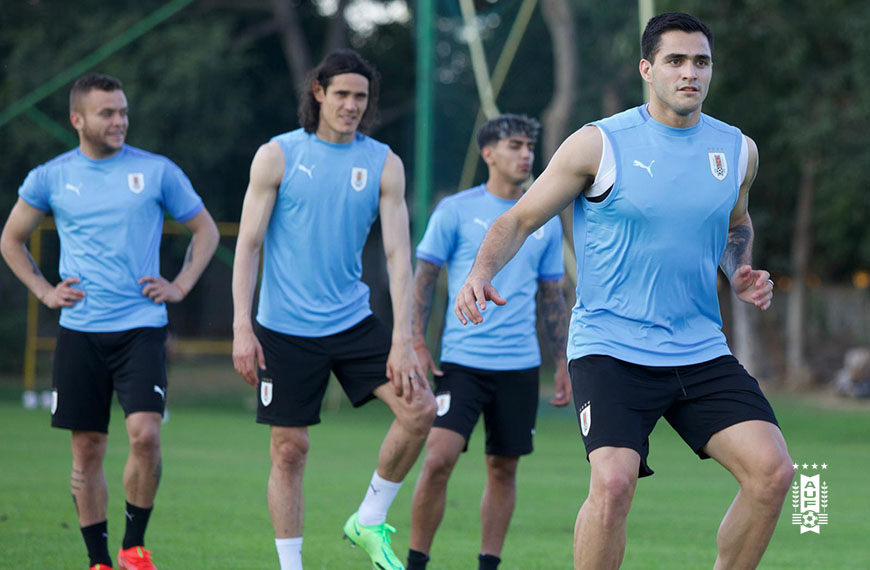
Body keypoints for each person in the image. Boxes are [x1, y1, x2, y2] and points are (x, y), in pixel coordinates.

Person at [454, 13, 794, 570]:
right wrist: (478, 273)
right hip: (611, 347)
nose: (690, 73)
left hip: (699, 348)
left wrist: (739, 268)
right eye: (675, 61)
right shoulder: (600, 144)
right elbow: (518, 219)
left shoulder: (736, 150)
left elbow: (737, 222)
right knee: (613, 484)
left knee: (774, 473)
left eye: (701, 62)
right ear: (647, 69)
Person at [0, 73, 219, 570]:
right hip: (80, 331)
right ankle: (98, 560)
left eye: (123, 112)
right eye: (107, 113)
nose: (119, 121)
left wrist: (180, 285)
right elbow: (10, 239)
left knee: (146, 434)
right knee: (87, 448)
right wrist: (44, 291)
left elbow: (205, 230)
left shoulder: (157, 171)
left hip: (141, 327)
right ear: (77, 119)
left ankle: (133, 547)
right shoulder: (50, 177)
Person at [231, 49, 436, 570]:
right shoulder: (277, 155)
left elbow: (398, 255)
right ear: (319, 93)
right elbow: (248, 245)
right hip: (283, 329)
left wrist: (403, 338)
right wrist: (241, 327)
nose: (351, 105)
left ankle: (368, 518)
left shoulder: (384, 163)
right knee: (290, 450)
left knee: (420, 410)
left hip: (352, 322)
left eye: (360, 97)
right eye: (341, 94)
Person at [406, 114, 571, 570]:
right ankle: (416, 563)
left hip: (519, 366)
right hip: (461, 363)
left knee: (503, 467)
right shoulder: (455, 210)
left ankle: (488, 565)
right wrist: (416, 340)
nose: (525, 154)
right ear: (488, 154)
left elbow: (551, 296)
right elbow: (424, 279)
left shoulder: (545, 218)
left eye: (529, 147)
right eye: (515, 146)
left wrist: (562, 361)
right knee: (438, 458)